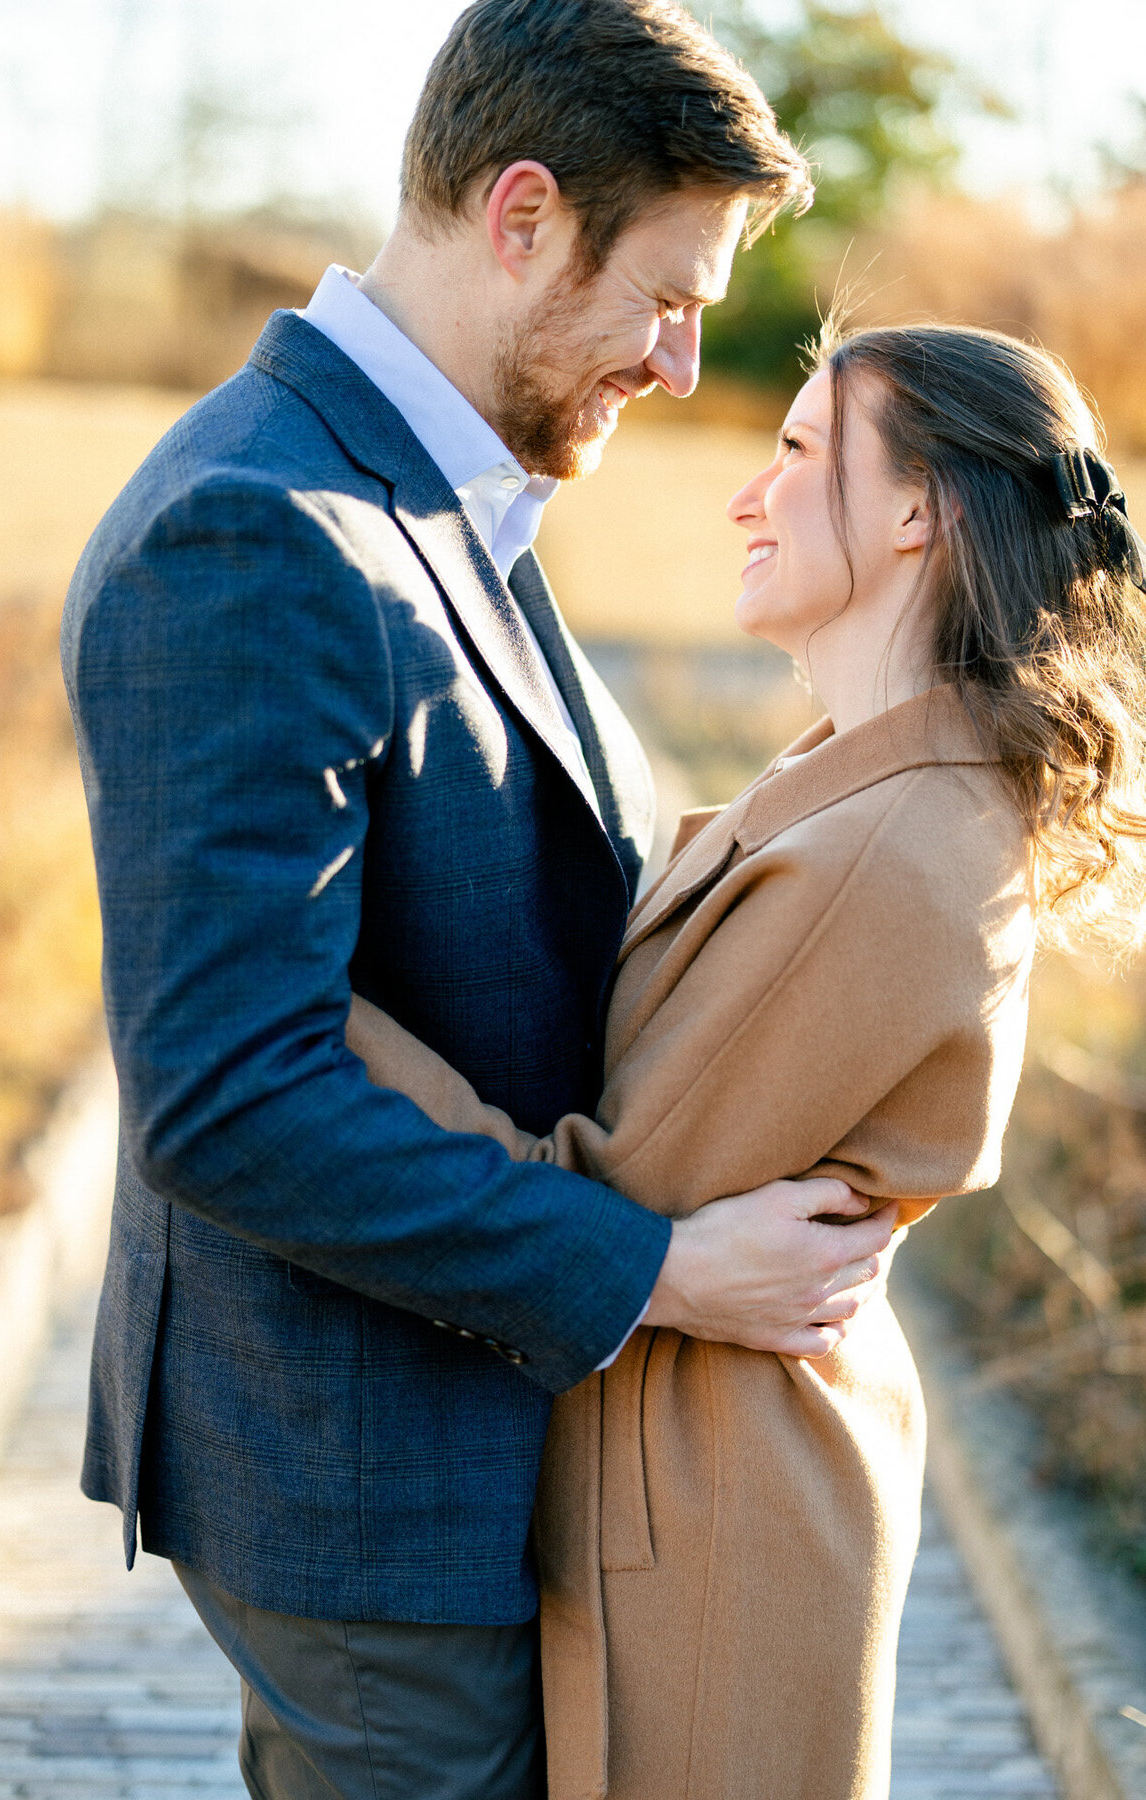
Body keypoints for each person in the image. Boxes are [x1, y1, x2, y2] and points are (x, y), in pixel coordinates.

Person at [61, 4, 899, 1796]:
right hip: (367, 1485)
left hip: (460, 1447)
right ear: (522, 216)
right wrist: (661, 1269)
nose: (683, 363)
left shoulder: (452, 499)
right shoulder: (260, 532)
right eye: (666, 297)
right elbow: (231, 1096)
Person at [344, 319, 1146, 1799]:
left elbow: (615, 1184)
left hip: (719, 1512)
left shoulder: (898, 846)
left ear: (919, 514)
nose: (743, 494)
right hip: (686, 1469)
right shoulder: (858, 785)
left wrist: (311, 1022)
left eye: (792, 451)